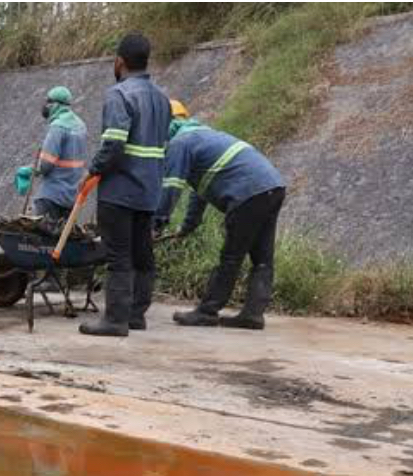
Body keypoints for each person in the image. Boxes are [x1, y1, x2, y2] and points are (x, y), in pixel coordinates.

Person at [157, 105, 286, 330]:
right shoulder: (205, 136)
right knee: (262, 259)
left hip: (247, 192)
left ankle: (207, 312)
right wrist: (189, 225)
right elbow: (200, 191)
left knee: (231, 256)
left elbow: (172, 186)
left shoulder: (180, 143)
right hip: (273, 187)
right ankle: (253, 315)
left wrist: (157, 221)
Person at [79, 33, 170, 337]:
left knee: (119, 256)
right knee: (143, 255)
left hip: (119, 192)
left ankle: (115, 321)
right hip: (149, 191)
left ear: (119, 61)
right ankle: (135, 316)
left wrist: (93, 170)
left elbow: (114, 144)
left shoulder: (119, 94)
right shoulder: (162, 98)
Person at [15, 86, 87, 222]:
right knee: (63, 233)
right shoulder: (81, 126)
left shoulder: (58, 127)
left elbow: (46, 165)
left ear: (56, 104)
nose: (45, 105)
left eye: (48, 102)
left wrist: (29, 171)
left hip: (52, 195)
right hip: (72, 196)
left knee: (41, 233)